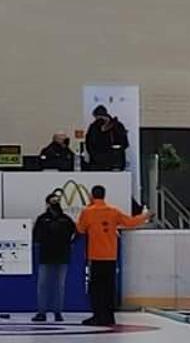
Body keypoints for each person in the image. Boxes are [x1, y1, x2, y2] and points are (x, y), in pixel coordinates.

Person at [76, 184, 151, 326]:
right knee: (109, 288)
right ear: (104, 195)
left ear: (92, 196)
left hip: (95, 256)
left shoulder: (87, 212)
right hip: (111, 256)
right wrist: (145, 216)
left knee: (96, 289)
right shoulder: (113, 211)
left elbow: (80, 229)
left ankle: (98, 316)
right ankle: (109, 317)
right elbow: (130, 222)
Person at [31, 190, 78, 322]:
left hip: (61, 256)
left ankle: (57, 312)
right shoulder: (43, 219)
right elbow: (36, 236)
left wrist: (68, 243)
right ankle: (42, 312)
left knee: (58, 285)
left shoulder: (66, 219)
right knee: (45, 285)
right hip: (47, 256)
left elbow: (76, 233)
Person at [85, 105, 130, 171]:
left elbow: (124, 143)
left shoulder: (117, 126)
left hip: (114, 163)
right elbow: (89, 144)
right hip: (97, 164)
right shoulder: (94, 128)